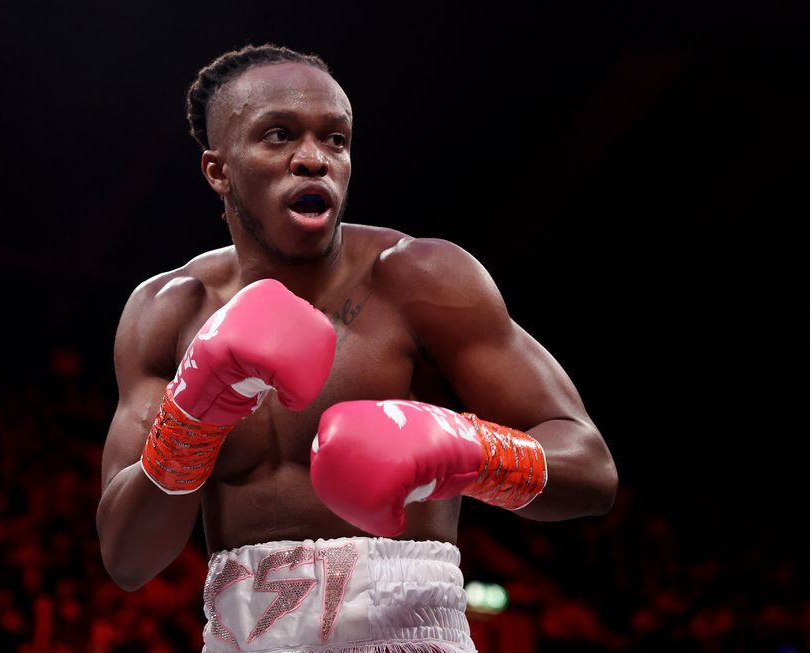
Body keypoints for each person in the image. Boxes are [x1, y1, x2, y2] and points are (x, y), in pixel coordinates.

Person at [96, 44, 618, 653]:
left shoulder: (421, 279)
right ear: (219, 170)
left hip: (414, 631)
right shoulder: (167, 312)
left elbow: (592, 469)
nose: (313, 159)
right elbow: (128, 559)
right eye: (278, 136)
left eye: (336, 140)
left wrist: (469, 450)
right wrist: (190, 422)